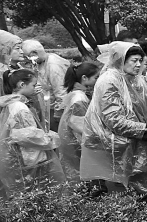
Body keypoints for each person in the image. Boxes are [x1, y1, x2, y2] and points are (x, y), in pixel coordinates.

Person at [80, 42, 147, 200]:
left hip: (139, 141)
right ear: (120, 59)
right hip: (117, 146)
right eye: (134, 60)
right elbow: (113, 120)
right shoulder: (109, 81)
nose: (138, 64)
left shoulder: (137, 80)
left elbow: (146, 110)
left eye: (141, 60)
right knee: (127, 195)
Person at [0, 69, 65, 197]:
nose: (35, 88)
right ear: (21, 85)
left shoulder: (11, 103)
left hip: (20, 156)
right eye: (33, 85)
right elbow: (26, 135)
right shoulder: (19, 106)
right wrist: (48, 138)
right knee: (34, 191)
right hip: (29, 157)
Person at [58, 63, 100, 181]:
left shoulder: (76, 93)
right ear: (84, 78)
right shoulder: (79, 98)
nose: (97, 80)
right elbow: (80, 126)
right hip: (75, 142)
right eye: (95, 78)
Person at [22, 40, 70, 132]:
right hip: (48, 107)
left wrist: (59, 114)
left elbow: (61, 91)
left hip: (56, 110)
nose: (27, 59)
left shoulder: (53, 65)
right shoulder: (42, 62)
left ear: (34, 53)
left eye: (27, 56)